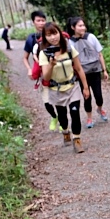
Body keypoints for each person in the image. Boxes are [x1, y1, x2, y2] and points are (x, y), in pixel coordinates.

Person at [39, 22, 90, 154]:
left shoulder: (68, 48)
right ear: (45, 37)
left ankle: (77, 139)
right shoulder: (44, 53)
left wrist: (85, 87)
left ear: (60, 33)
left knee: (75, 113)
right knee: (62, 116)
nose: (53, 37)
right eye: (49, 35)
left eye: (55, 33)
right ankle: (66, 131)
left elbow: (79, 68)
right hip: (56, 90)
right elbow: (46, 77)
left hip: (72, 87)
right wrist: (51, 64)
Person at [67, 17, 109, 129]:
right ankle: (89, 117)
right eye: (79, 26)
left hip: (95, 70)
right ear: (73, 27)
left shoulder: (91, 37)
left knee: (98, 95)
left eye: (83, 25)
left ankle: (100, 109)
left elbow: (100, 54)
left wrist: (104, 70)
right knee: (87, 96)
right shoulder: (70, 42)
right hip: (82, 73)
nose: (83, 28)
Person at [23, 10, 59, 132]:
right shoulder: (31, 39)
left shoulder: (53, 36)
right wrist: (29, 69)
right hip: (42, 75)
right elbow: (24, 58)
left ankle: (62, 122)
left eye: (43, 20)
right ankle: (54, 117)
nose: (41, 23)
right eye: (38, 21)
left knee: (59, 98)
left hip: (56, 72)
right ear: (33, 22)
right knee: (47, 101)